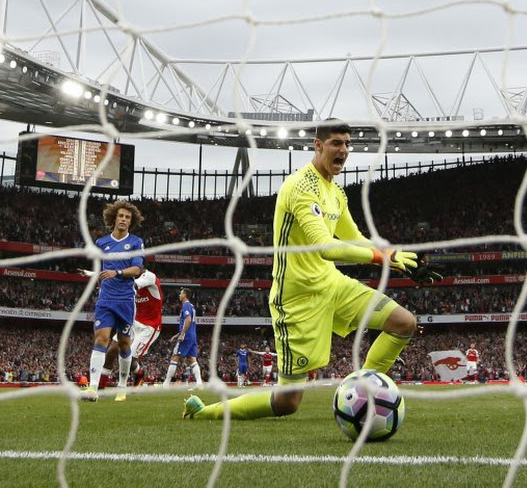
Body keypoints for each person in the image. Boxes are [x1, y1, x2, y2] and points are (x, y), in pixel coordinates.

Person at [183, 119, 427, 420]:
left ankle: (360, 395)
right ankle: (205, 412)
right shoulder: (300, 185)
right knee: (288, 402)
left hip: (333, 285)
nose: (344, 150)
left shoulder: (336, 193)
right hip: (296, 299)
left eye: (348, 144)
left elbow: (354, 238)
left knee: (404, 323)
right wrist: (379, 258)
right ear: (318, 145)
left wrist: (393, 254)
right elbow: (324, 246)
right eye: (337, 143)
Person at [80, 200, 145, 402]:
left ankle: (122, 387)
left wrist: (116, 272)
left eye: (128, 217)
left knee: (124, 345)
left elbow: (137, 270)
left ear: (131, 221)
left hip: (125, 300)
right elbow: (102, 272)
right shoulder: (101, 243)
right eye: (121, 216)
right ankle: (92, 389)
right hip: (106, 300)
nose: (124, 219)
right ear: (114, 218)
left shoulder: (135, 242)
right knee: (101, 339)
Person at [101, 269, 163, 397]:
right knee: (112, 350)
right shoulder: (129, 277)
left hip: (149, 327)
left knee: (130, 359)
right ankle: (100, 387)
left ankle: (137, 376)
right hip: (133, 322)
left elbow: (135, 284)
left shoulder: (150, 276)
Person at [164, 288, 203, 388]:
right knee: (192, 359)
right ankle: (199, 383)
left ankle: (166, 383)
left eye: (181, 293)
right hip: (192, 335)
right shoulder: (192, 306)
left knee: (175, 357)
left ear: (185, 295)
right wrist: (178, 334)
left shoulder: (185, 305)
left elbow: (188, 319)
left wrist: (182, 334)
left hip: (186, 336)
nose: (179, 295)